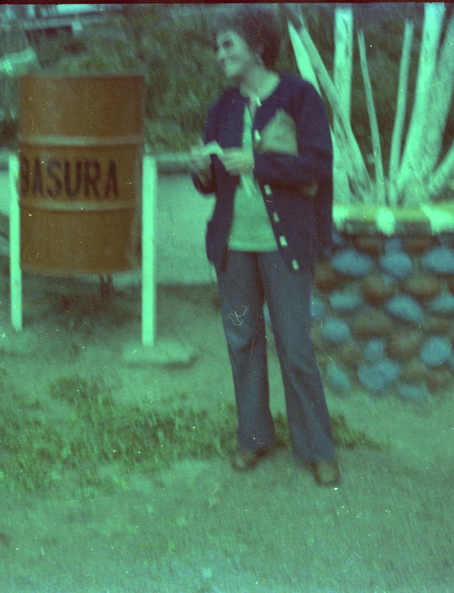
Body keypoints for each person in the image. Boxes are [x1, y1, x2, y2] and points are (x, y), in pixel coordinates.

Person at [189, 5, 339, 486]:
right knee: (242, 340)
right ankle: (253, 438)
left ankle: (316, 447)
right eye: (216, 48)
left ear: (256, 43)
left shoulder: (299, 97)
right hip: (234, 250)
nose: (219, 55)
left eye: (227, 44)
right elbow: (212, 183)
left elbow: (317, 165)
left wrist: (255, 163)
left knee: (295, 345)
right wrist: (202, 170)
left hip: (285, 246)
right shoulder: (222, 107)